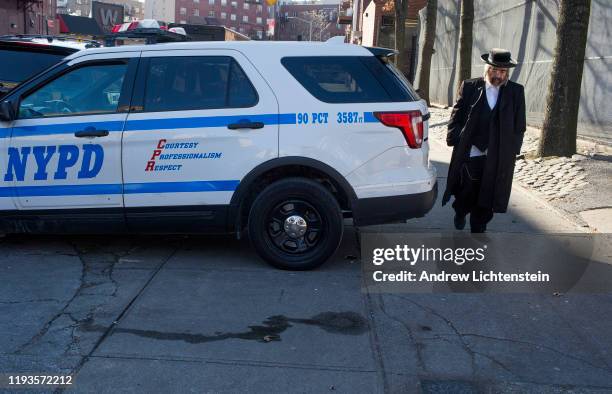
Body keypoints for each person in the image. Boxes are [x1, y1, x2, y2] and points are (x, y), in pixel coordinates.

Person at [442, 48, 527, 233]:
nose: (498, 75)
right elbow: (456, 115)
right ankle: (460, 211)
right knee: (467, 189)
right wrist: (456, 138)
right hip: (471, 149)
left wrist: (512, 149)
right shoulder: (471, 86)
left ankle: (479, 227)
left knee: (488, 191)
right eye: (495, 70)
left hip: (497, 152)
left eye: (503, 71)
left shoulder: (516, 92)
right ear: (487, 68)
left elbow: (519, 125)